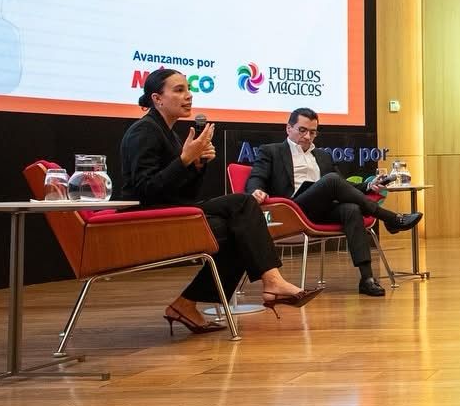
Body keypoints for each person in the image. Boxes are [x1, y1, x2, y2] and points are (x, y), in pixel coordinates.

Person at [119, 68, 321, 335]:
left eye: (188, 89)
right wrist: (185, 159)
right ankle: (271, 281)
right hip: (149, 218)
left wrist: (197, 165)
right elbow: (144, 190)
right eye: (179, 90)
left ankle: (187, 304)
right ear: (157, 99)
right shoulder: (144, 131)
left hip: (170, 210)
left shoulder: (168, 133)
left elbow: (184, 194)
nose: (188, 95)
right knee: (243, 208)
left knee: (241, 225)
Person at [247, 108, 421, 298]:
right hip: (293, 210)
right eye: (302, 130)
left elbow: (343, 185)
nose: (307, 137)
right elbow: (256, 177)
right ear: (289, 128)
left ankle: (367, 279)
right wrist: (255, 190)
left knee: (351, 208)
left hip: (322, 210)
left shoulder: (322, 155)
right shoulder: (271, 151)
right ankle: (390, 218)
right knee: (330, 180)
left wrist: (369, 185)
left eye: (312, 132)